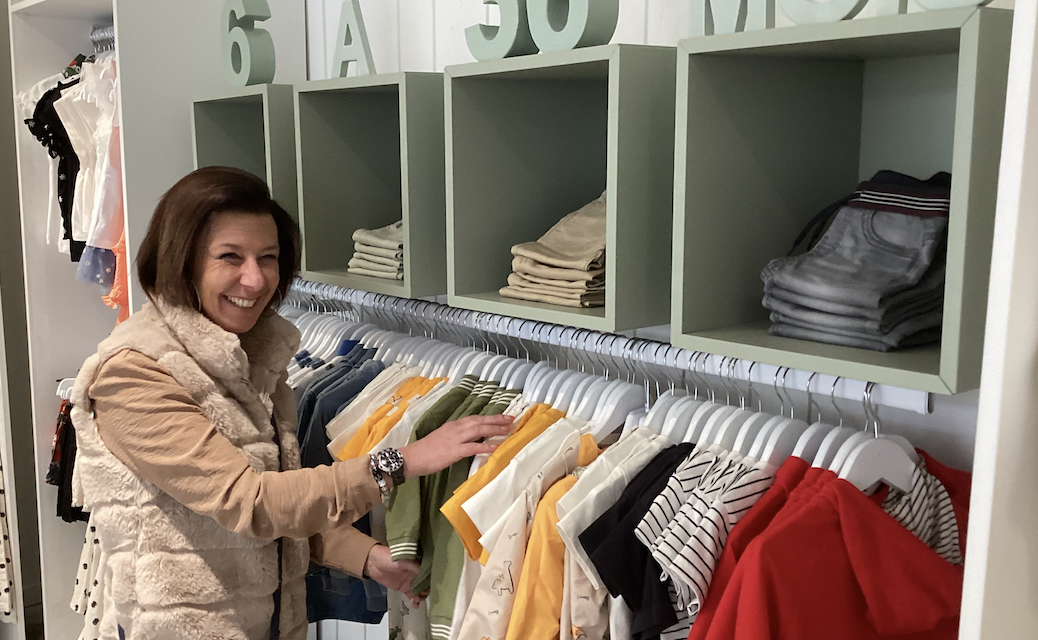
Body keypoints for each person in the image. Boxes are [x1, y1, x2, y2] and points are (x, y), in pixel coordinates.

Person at [69, 166, 513, 640]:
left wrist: (364, 557)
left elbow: (281, 509)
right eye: (230, 257)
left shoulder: (252, 361)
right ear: (182, 261)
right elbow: (251, 503)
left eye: (268, 257)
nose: (255, 279)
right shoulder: (134, 373)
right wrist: (400, 461)